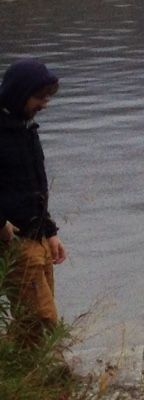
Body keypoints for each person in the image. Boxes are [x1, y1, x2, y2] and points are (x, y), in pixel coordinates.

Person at [0, 58, 63, 353]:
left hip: (37, 237)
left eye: (47, 97)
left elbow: (37, 185)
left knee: (31, 323)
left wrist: (50, 231)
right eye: (39, 97)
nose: (45, 104)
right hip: (14, 242)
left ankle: (28, 377)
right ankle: (54, 377)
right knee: (44, 318)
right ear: (19, 93)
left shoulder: (27, 130)